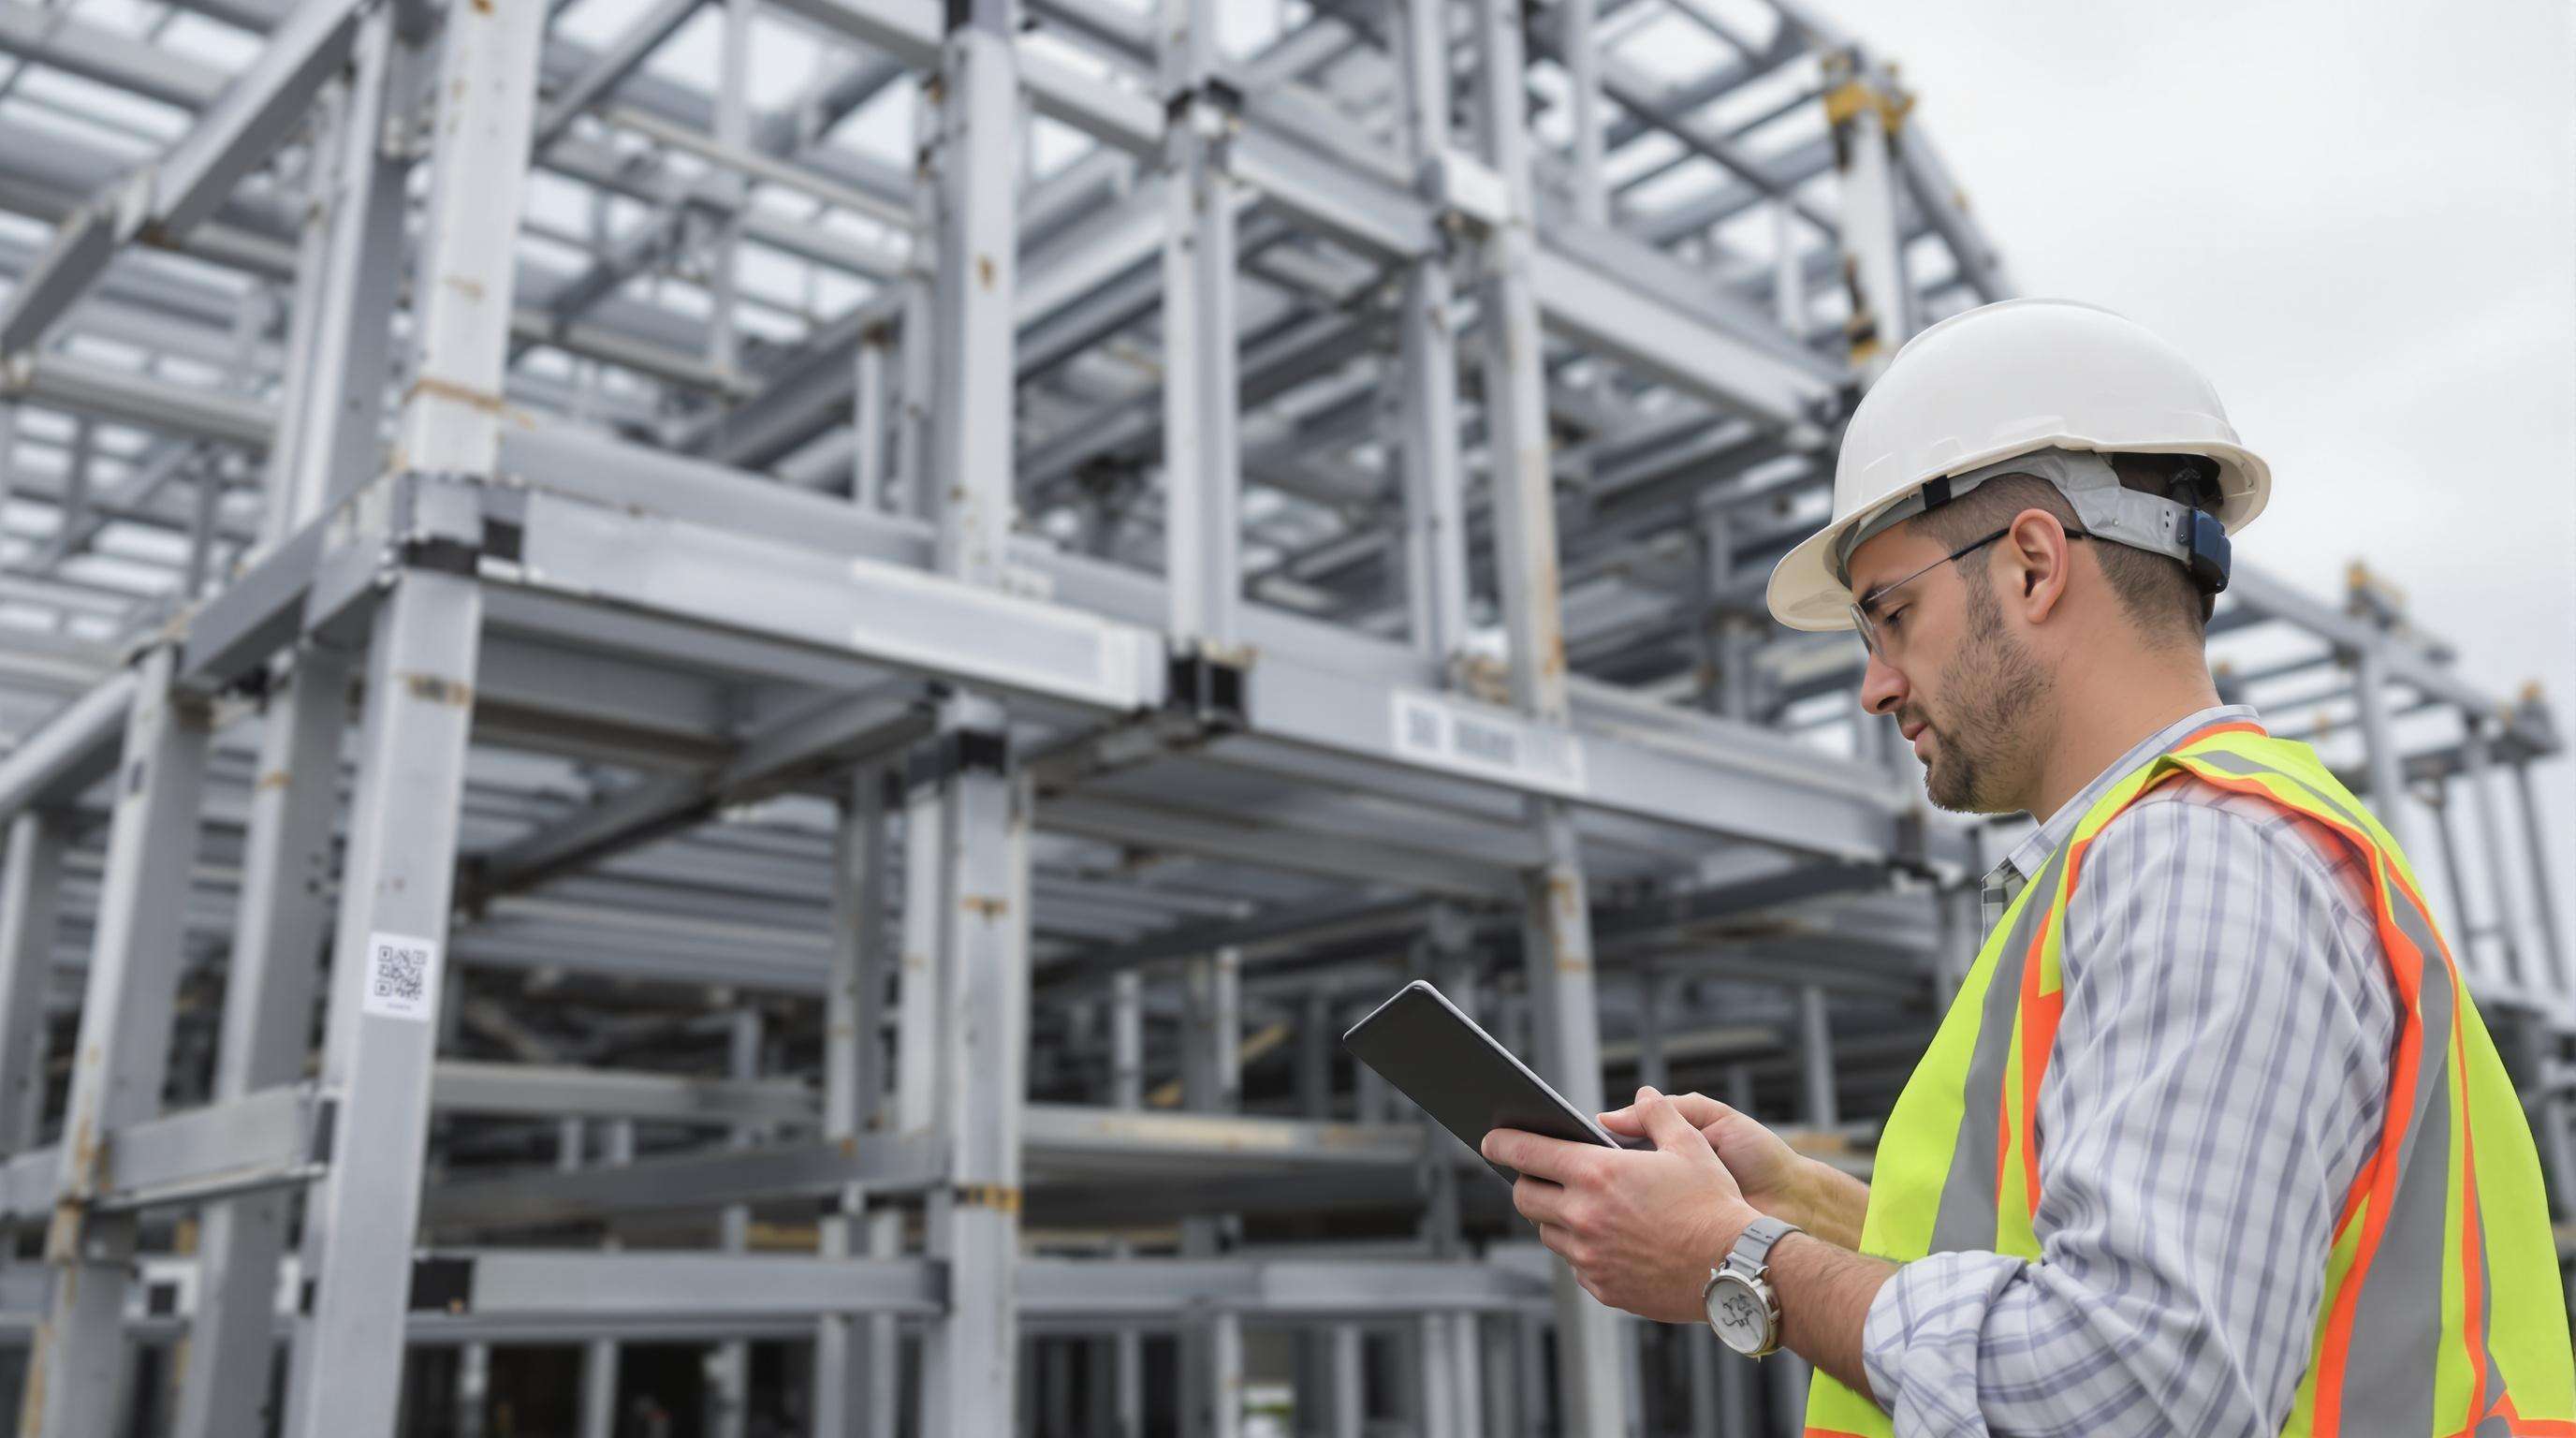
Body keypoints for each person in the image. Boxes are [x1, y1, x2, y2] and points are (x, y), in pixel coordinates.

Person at [1481, 300, 2574, 1436]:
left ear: (2033, 566)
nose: (1874, 686)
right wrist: (1798, 1206)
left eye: (1891, 615)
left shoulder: (2203, 863)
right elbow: (2096, 1294)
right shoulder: (2159, 860)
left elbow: (2125, 1389)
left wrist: (1735, 1257)